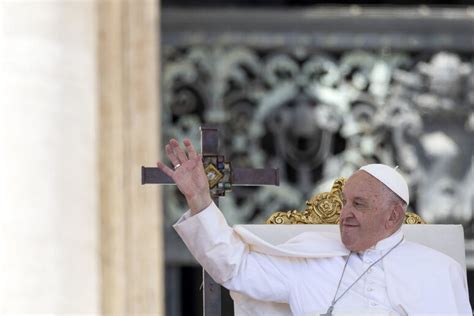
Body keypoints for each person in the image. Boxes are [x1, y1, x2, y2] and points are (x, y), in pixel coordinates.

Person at [157, 138, 472, 315]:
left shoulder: (440, 271)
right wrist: (199, 198)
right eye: (345, 202)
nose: (344, 213)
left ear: (392, 217)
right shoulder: (309, 262)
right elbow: (235, 267)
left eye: (359, 205)